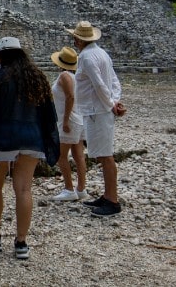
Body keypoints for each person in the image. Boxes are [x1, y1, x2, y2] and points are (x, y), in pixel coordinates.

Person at [0, 37, 59, 260]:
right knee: (24, 189)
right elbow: (49, 113)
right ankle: (21, 242)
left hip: (3, 138)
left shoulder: (0, 77)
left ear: (1, 55)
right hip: (31, 138)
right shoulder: (38, 77)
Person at [66, 21, 125, 217]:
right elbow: (114, 81)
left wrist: (110, 105)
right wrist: (114, 101)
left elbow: (99, 85)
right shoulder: (102, 53)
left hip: (96, 110)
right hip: (99, 109)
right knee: (101, 154)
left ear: (78, 39)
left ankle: (113, 200)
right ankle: (108, 195)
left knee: (105, 156)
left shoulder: (87, 57)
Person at [49, 46, 89, 202]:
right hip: (78, 119)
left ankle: (69, 188)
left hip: (70, 119)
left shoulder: (65, 76)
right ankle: (81, 188)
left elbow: (70, 97)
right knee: (79, 155)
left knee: (61, 155)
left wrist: (65, 120)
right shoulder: (76, 77)